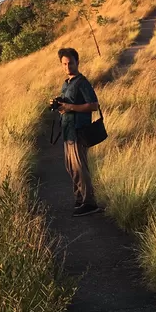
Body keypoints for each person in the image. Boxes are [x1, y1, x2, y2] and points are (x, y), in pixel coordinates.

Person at [56, 47, 101, 217]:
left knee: (80, 167)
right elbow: (67, 105)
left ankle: (90, 202)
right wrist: (60, 106)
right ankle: (80, 198)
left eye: (70, 63)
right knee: (71, 168)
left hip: (79, 130)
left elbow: (94, 105)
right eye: (64, 64)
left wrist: (70, 107)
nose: (68, 67)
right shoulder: (66, 83)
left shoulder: (82, 82)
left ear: (77, 63)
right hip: (68, 131)